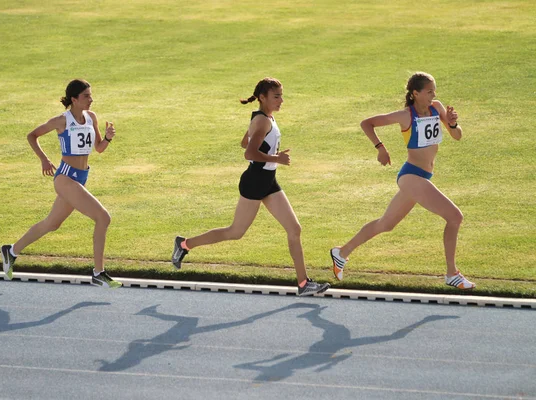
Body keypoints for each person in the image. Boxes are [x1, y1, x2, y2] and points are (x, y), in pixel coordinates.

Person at [172, 77, 330, 296]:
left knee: (294, 229)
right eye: (276, 96)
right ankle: (184, 244)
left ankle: (303, 284)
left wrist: (267, 151)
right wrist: (277, 157)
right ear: (263, 97)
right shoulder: (263, 121)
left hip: (268, 181)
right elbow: (249, 152)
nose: (281, 100)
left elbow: (245, 142)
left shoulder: (263, 118)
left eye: (281, 96)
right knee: (235, 232)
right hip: (255, 181)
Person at [330, 72, 475, 289]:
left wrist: (453, 124)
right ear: (415, 93)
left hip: (422, 177)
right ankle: (451, 273)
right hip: (411, 176)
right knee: (454, 216)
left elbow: (457, 136)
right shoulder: (406, 115)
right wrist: (380, 148)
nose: (433, 95)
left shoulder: (437, 108)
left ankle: (341, 253)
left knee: (385, 224)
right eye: (429, 92)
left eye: (434, 91)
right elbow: (366, 123)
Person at [0, 79, 122, 288]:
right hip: (65, 178)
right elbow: (32, 135)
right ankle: (98, 273)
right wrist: (44, 159)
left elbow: (99, 148)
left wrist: (108, 139)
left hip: (81, 177)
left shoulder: (92, 117)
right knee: (103, 217)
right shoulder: (61, 121)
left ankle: (11, 251)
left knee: (52, 224)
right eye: (86, 96)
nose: (91, 99)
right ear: (73, 99)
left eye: (91, 95)